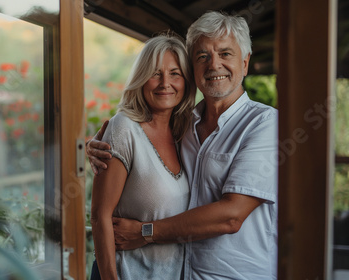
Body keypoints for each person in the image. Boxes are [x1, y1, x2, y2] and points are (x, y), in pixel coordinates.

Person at [87, 11, 278, 280]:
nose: (214, 65)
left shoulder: (265, 124)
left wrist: (145, 232)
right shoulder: (184, 126)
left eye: (225, 54)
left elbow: (231, 216)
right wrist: (98, 143)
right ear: (194, 69)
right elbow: (135, 141)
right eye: (203, 56)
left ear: (245, 63)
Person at [90, 34, 197, 280]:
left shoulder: (186, 133)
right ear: (140, 78)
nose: (165, 83)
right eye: (155, 73)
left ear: (186, 82)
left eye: (175, 73)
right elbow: (99, 215)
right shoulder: (124, 128)